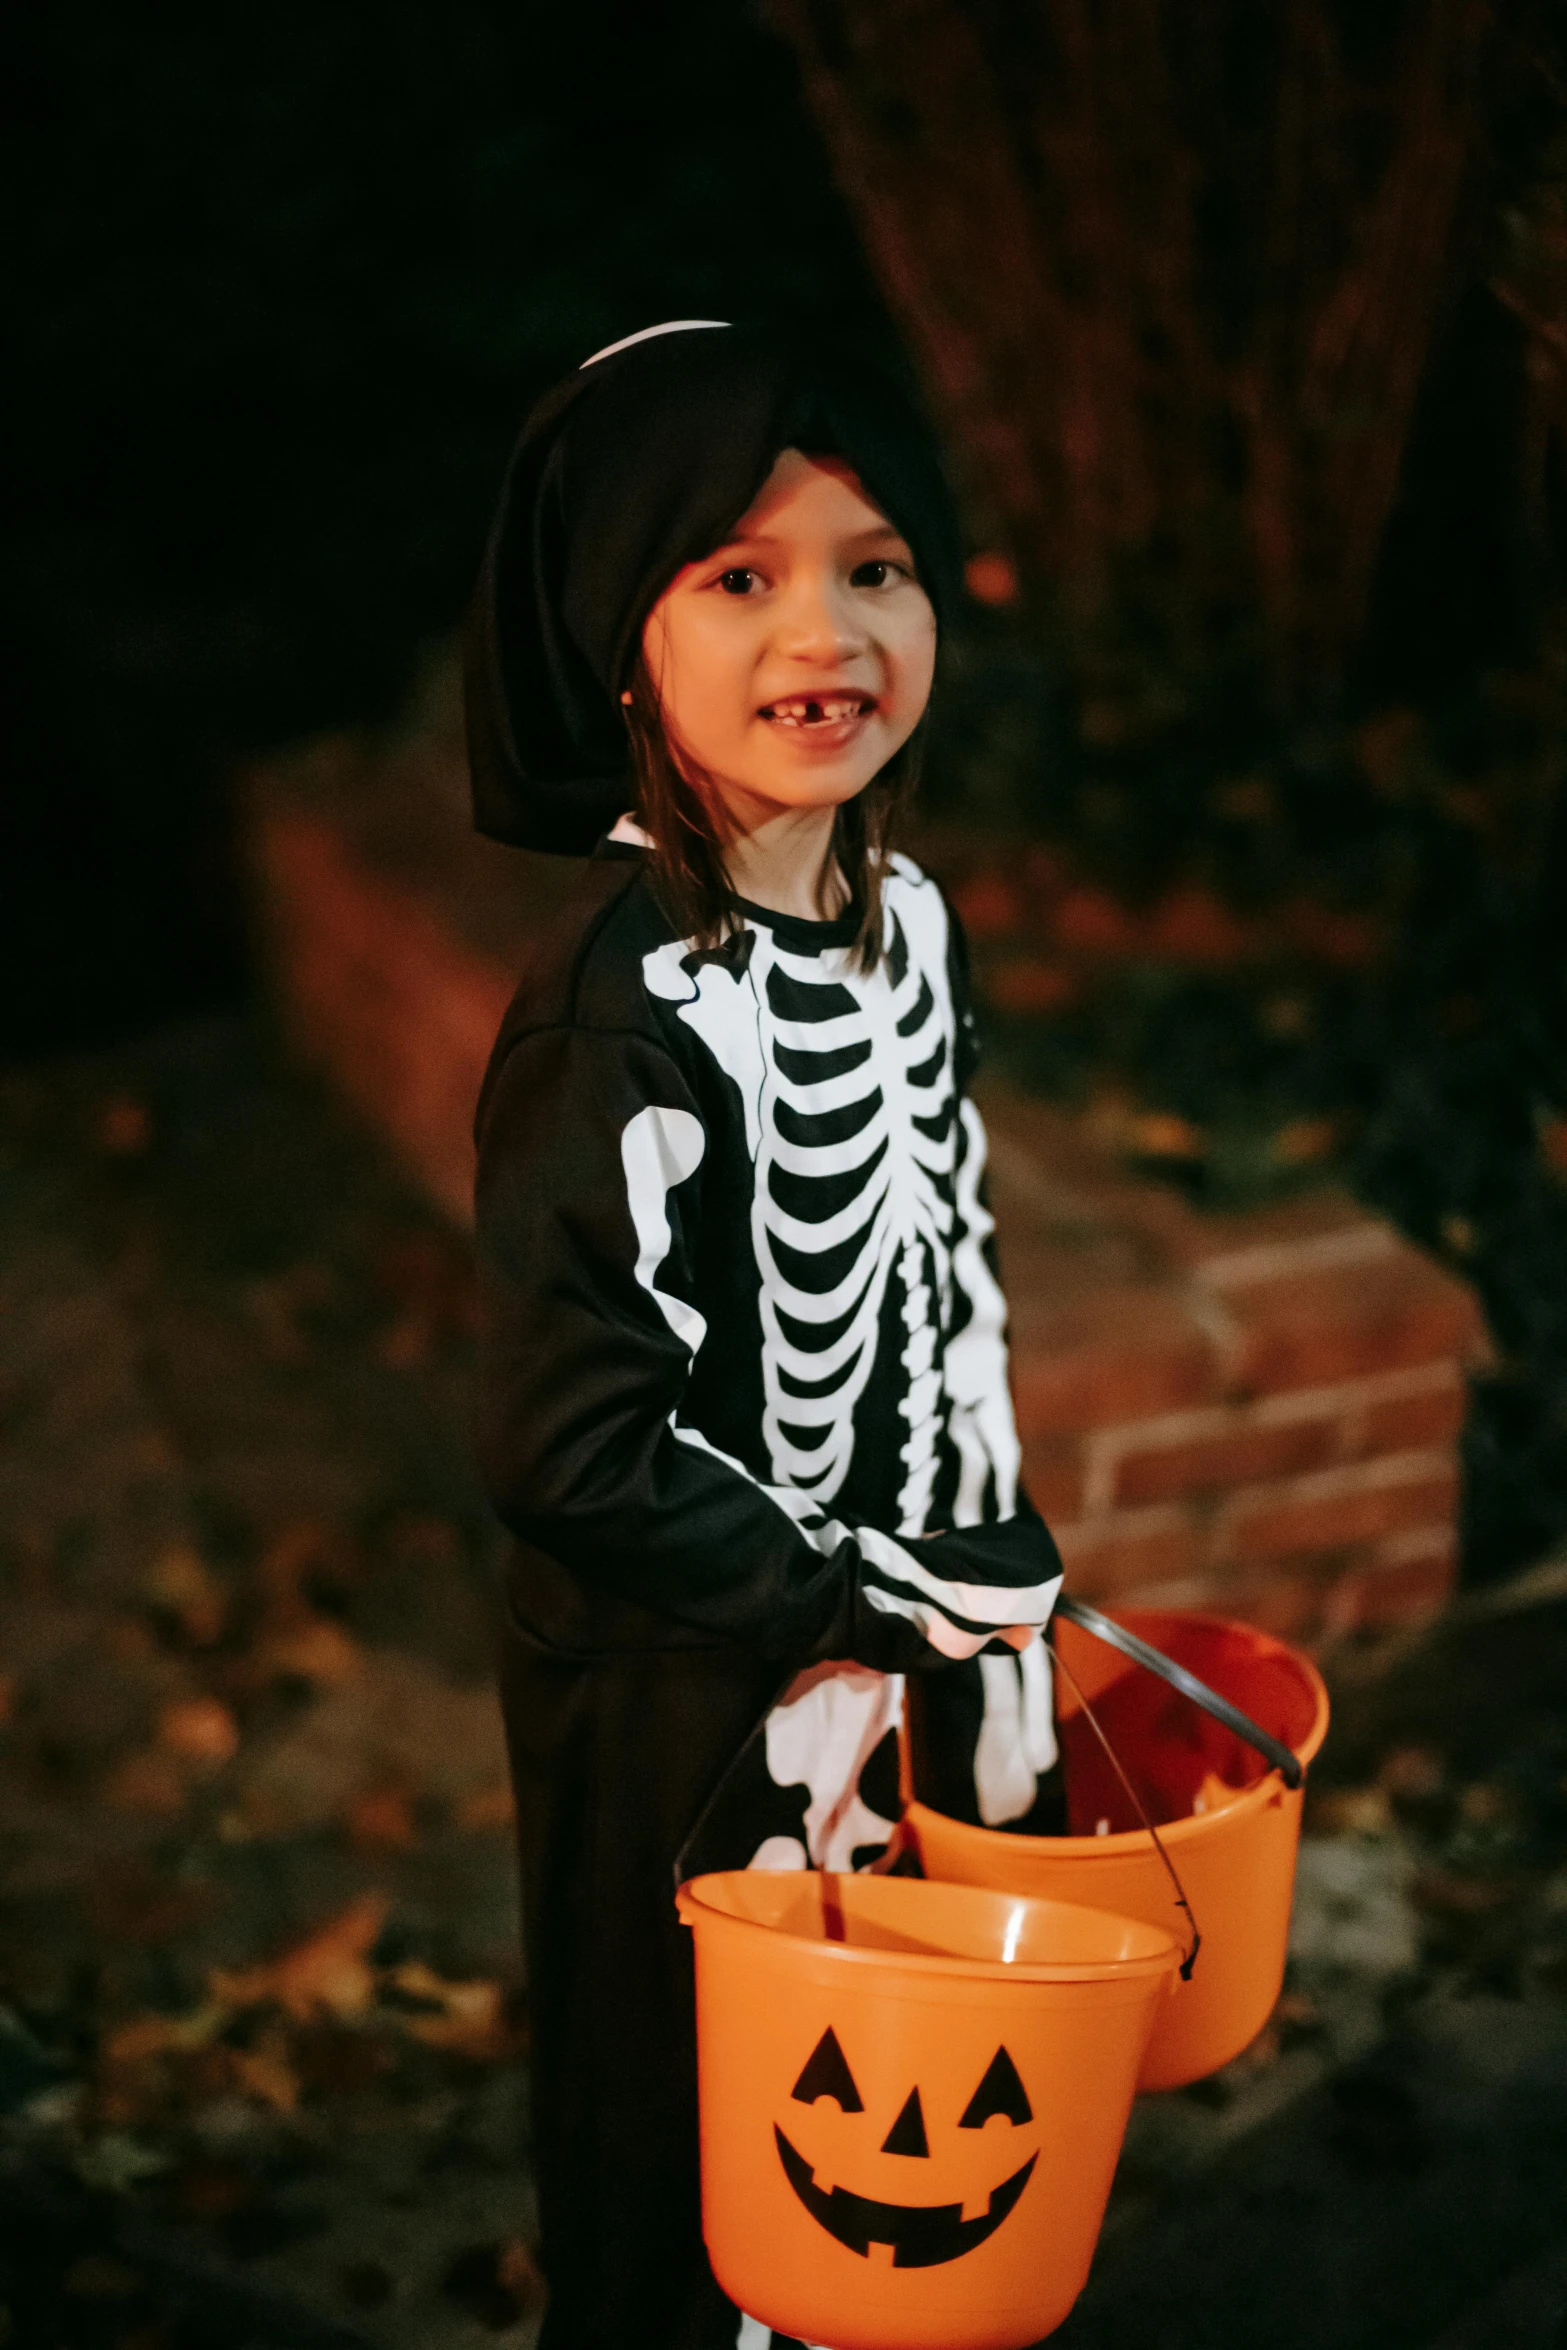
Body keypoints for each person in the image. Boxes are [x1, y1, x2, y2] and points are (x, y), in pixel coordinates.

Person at [466, 320, 1065, 2350]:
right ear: (621, 641)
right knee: (689, 2169)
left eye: (874, 563)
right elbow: (568, 1443)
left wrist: (988, 1561)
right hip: (669, 1685)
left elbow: (935, 1254)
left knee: (895, 2109)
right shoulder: (620, 1015)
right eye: (739, 574)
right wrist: (836, 1591)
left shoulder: (910, 927)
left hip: (876, 1642)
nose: (827, 626)